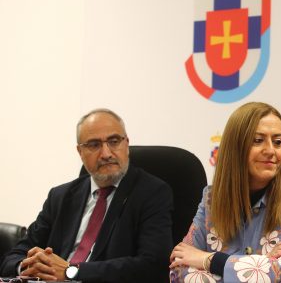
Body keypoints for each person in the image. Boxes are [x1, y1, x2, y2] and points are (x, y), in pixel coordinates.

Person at [0, 108, 174, 282]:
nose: (106, 153)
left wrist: (72, 271)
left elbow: (153, 265)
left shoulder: (152, 193)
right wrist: (30, 266)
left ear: (126, 144)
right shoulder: (60, 196)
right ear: (80, 152)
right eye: (94, 145)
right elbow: (13, 256)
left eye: (114, 141)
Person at [170, 102, 281, 282]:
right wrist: (263, 262)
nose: (271, 150)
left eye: (278, 142)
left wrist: (208, 260)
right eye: (258, 140)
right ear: (235, 147)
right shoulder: (211, 199)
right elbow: (179, 269)